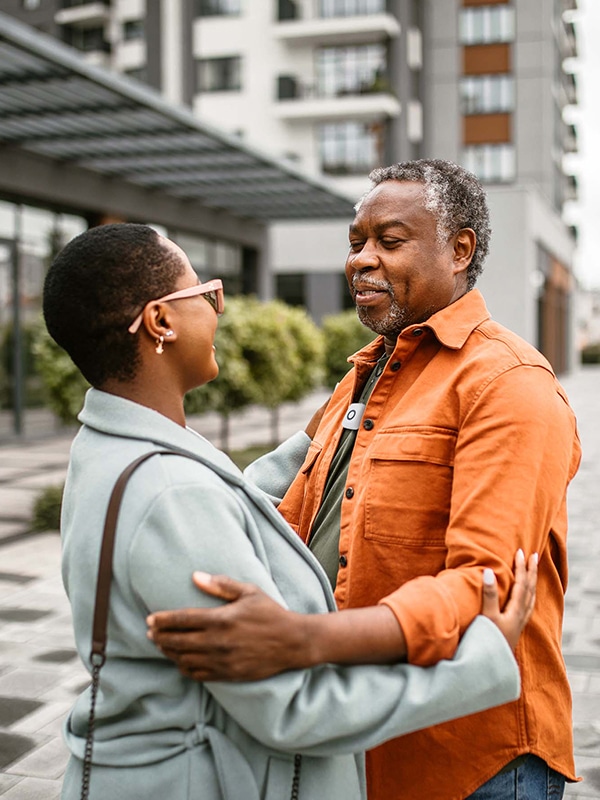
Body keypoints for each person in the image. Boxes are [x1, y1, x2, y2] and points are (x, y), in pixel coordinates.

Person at [45, 222, 536, 800]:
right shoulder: (173, 494)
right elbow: (296, 709)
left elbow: (237, 492)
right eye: (205, 294)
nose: (218, 310)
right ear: (161, 322)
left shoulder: (108, 446)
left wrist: (338, 424)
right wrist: (481, 662)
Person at [148, 160, 582, 800]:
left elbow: (483, 591)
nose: (361, 260)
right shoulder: (365, 375)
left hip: (475, 758)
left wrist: (300, 641)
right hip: (363, 735)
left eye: (389, 240)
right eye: (356, 243)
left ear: (459, 250)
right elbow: (291, 516)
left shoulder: (509, 386)